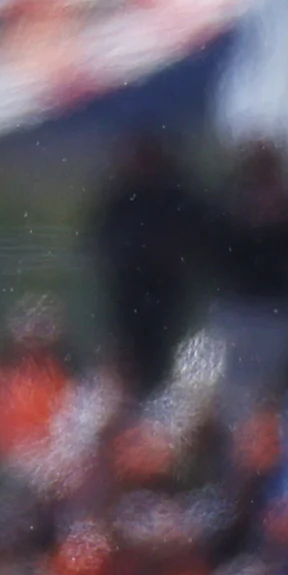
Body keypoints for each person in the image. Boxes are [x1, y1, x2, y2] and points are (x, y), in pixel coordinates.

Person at [204, 140, 288, 414]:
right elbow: (213, 251)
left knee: (274, 382)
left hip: (279, 308)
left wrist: (283, 218)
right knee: (233, 385)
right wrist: (247, 221)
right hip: (238, 306)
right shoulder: (230, 206)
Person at [87, 133, 208, 397]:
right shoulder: (122, 196)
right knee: (130, 350)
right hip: (129, 289)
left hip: (168, 291)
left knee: (166, 351)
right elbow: (102, 237)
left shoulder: (177, 196)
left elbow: (197, 239)